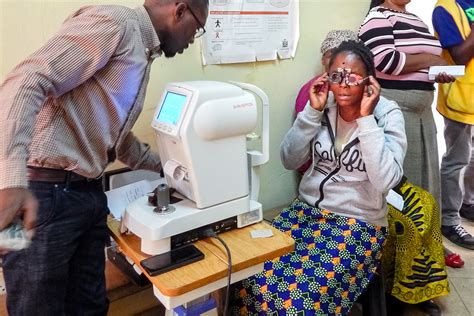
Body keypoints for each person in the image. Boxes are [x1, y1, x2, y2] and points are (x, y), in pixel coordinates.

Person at [0, 0, 209, 314]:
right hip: (38, 194)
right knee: (35, 308)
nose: (194, 38)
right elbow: (27, 81)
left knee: (91, 305)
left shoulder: (142, 51)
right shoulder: (117, 24)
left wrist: (171, 170)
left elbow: (116, 138)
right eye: (198, 27)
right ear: (179, 10)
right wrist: (10, 181)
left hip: (84, 195)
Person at [231, 40, 407, 315]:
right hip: (307, 211)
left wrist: (365, 120)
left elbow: (387, 180)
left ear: (370, 81)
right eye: (337, 76)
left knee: (299, 303)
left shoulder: (387, 115)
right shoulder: (323, 107)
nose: (344, 85)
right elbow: (289, 159)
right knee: (247, 275)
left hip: (358, 223)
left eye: (353, 77)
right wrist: (311, 113)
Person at [432, 0, 474, 250]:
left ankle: (468, 203)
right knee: (456, 160)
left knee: (472, 157)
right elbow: (460, 55)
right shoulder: (444, 9)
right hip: (459, 96)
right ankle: (448, 220)